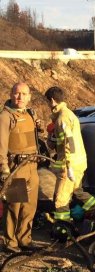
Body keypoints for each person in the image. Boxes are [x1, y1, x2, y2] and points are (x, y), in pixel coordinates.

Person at [44, 86, 95, 236]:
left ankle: (64, 230)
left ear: (52, 100)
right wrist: (51, 136)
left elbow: (70, 143)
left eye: (48, 102)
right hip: (78, 163)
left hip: (70, 165)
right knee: (77, 192)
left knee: (61, 200)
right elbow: (61, 142)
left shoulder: (63, 118)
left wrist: (68, 166)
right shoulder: (68, 115)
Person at [0, 82, 40, 253]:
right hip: (15, 167)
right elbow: (0, 146)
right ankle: (10, 242)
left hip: (32, 165)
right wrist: (3, 169)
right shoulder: (5, 117)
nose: (20, 97)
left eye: (24, 94)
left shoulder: (30, 114)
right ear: (11, 94)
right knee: (14, 206)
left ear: (29, 97)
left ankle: (25, 239)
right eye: (17, 93)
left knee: (29, 206)